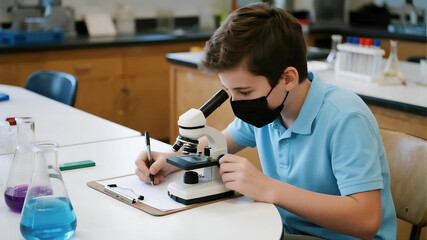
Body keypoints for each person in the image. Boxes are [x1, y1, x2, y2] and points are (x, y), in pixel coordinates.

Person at [135, 3, 396, 239]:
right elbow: (220, 142)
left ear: (288, 78)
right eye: (229, 90)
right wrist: (170, 159)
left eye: (245, 92)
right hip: (285, 231)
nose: (237, 102)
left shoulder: (345, 119)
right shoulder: (270, 108)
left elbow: (366, 220)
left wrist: (268, 188)